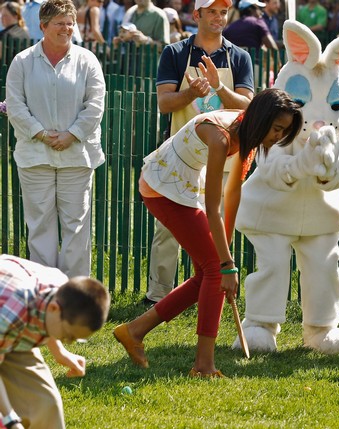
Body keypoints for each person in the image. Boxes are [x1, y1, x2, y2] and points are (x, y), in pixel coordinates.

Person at [113, 88, 303, 376]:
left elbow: (232, 193)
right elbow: (213, 207)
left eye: (284, 131)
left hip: (182, 186)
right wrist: (225, 264)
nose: (278, 137)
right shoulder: (221, 137)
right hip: (163, 188)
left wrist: (224, 249)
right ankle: (203, 366)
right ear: (262, 119)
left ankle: (134, 331)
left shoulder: (247, 129)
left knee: (209, 271)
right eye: (277, 129)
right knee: (214, 271)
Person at [145, 0, 255, 305]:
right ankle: (158, 296)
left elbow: (248, 106)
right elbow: (165, 103)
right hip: (182, 158)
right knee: (168, 231)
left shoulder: (240, 57)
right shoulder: (175, 53)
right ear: (197, 15)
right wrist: (192, 92)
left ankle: (209, 290)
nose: (219, 18)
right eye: (212, 12)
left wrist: (219, 88)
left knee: (216, 229)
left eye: (223, 12)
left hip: (225, 160)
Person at [6, 0, 106, 278]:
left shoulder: (87, 60)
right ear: (43, 26)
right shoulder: (22, 62)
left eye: (70, 22)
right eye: (60, 22)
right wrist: (40, 133)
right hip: (35, 154)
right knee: (40, 226)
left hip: (77, 155)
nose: (67, 28)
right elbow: (15, 104)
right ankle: (45, 294)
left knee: (76, 226)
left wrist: (72, 135)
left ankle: (75, 297)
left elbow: (95, 104)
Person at [0, 254, 110, 429]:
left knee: (47, 404)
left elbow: (48, 319)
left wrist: (61, 353)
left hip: (11, 333)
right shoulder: (12, 311)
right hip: (6, 319)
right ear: (53, 308)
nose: (68, 341)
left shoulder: (60, 287)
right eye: (68, 336)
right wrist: (10, 420)